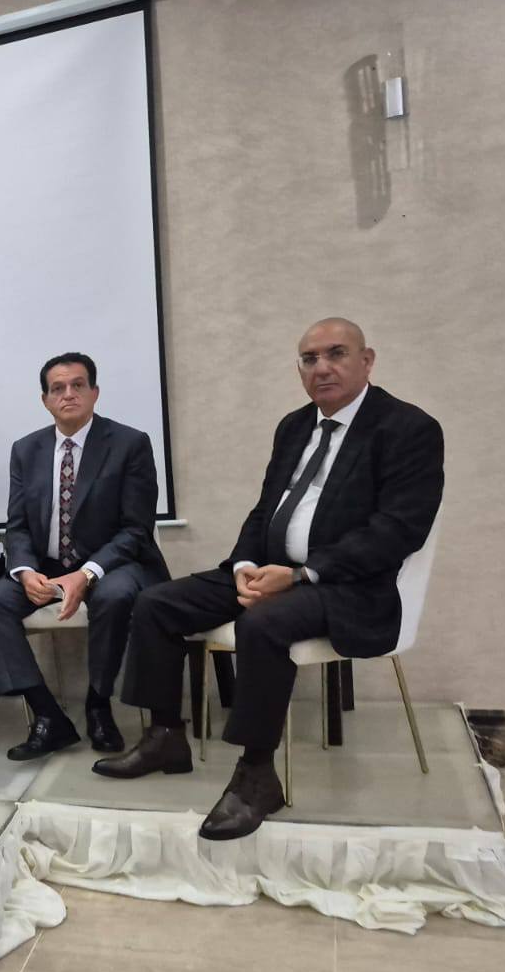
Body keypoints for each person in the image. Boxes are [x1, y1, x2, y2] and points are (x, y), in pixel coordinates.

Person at [95, 318, 445, 841]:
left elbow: (397, 531)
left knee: (262, 624)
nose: (322, 367)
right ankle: (165, 735)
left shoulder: (408, 429)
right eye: (309, 358)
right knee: (156, 602)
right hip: (276, 572)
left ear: (366, 360)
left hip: (351, 586)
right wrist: (243, 565)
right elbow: (265, 510)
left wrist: (303, 573)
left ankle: (256, 774)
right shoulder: (294, 426)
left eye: (336, 354)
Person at [0, 352, 168, 762]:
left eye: (78, 385)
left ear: (95, 392)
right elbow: (17, 525)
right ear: (45, 400)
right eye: (57, 388)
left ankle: (98, 704)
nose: (68, 394)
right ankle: (48, 715)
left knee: (114, 596)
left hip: (113, 563)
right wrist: (24, 571)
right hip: (46, 566)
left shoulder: (129, 443)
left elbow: (136, 529)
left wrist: (87, 573)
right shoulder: (26, 449)